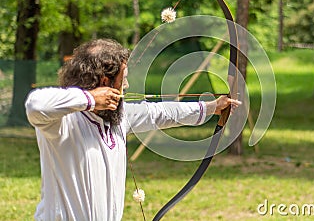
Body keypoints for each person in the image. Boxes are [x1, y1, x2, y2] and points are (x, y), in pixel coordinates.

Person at [25, 38, 240, 221]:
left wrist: (212, 108)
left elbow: (162, 113)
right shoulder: (63, 123)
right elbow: (36, 105)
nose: (126, 86)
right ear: (104, 81)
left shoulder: (118, 117)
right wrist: (90, 98)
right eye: (123, 80)